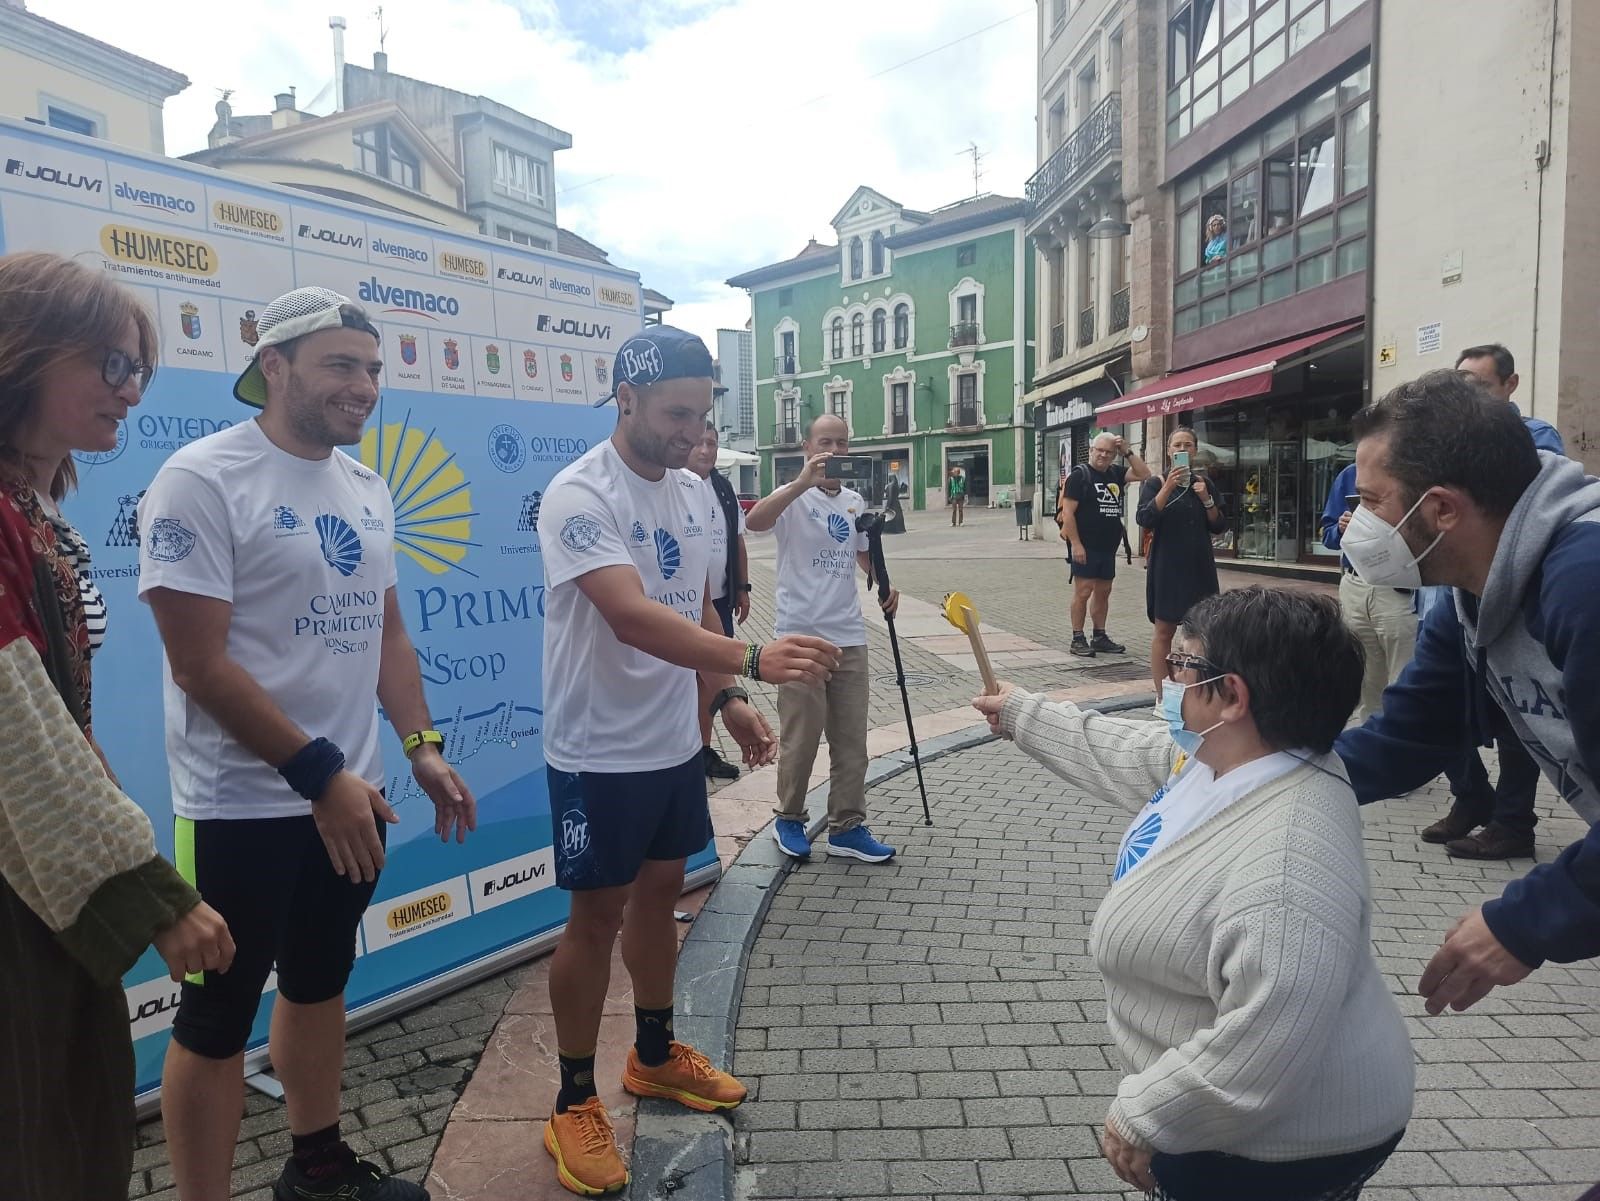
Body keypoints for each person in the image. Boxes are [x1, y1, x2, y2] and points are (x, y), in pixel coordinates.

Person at [140, 287, 477, 1201]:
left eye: (373, 368)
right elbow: (197, 665)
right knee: (215, 1020)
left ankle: (317, 1167)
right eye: (341, 364)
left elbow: (387, 631)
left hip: (351, 796)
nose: (365, 385)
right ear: (274, 366)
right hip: (241, 806)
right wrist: (320, 772)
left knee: (320, 983)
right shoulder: (201, 478)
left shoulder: (366, 486)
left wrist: (420, 745)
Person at [974, 587, 1411, 1199]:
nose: (1167, 677)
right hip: (1240, 1124)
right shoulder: (1229, 758)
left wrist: (1144, 1115)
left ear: (1233, 696)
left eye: (1183, 663)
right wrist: (1022, 712)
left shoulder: (1287, 864)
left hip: (1273, 1151)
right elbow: (1124, 751)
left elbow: (1269, 1042)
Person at [536, 326, 839, 1196]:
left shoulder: (697, 492)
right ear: (624, 399)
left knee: (662, 897)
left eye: (703, 413)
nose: (691, 432)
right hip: (596, 748)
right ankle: (569, 1101)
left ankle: (656, 1053)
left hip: (673, 742)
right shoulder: (577, 494)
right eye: (676, 413)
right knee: (595, 918)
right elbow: (630, 615)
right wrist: (751, 662)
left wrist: (726, 698)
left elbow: (700, 607)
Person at [0, 251, 234, 1201]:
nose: (131, 390)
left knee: (74, 1114)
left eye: (141, 368)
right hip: (16, 879)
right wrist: (150, 891)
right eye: (110, 363)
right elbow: (16, 722)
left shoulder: (38, 510)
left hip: (41, 875)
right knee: (36, 1134)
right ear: (22, 352)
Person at [1333, 369, 1600, 1017]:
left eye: (1372, 501)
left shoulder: (1584, 584)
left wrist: (1524, 921)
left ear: (1443, 509)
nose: (1358, 523)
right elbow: (1407, 736)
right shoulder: (1471, 592)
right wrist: (1255, 768)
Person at [1413, 343, 1563, 858]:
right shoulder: (1444, 446)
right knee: (1449, 705)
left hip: (1508, 607)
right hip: (1451, 603)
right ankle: (1472, 798)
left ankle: (1513, 822)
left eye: (1478, 385)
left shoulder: (1534, 441)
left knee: (1515, 719)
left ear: (1509, 386)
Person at [746, 412, 900, 865]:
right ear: (809, 448)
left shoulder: (854, 500)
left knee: (851, 740)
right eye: (824, 443)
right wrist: (799, 483)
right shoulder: (791, 497)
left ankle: (846, 826)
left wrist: (885, 583)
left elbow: (859, 551)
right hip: (799, 637)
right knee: (802, 738)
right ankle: (789, 818)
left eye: (841, 443)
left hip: (849, 635)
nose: (833, 451)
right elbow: (755, 521)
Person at [1319, 462, 1418, 722]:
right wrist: (1340, 528)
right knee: (1362, 676)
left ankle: (1405, 736)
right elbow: (1327, 534)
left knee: (1405, 672)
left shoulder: (1418, 469)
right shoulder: (1350, 474)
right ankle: (1366, 741)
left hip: (1398, 587)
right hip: (1355, 585)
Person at [1137, 427, 1227, 697]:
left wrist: (1206, 499)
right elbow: (1145, 518)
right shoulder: (1155, 482)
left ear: (1195, 450)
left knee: (1205, 630)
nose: (1182, 449)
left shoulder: (1204, 483)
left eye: (1188, 445)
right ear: (1168, 451)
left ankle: (1200, 691)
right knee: (1164, 631)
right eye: (1177, 445)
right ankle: (1164, 696)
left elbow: (1219, 525)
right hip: (1168, 566)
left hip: (1200, 566)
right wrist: (1167, 487)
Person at [686, 423, 750, 781]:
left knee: (709, 679)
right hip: (679, 603)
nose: (706, 450)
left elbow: (737, 541)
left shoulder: (724, 488)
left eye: (712, 443)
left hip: (719, 600)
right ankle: (684, 749)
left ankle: (703, 750)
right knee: (684, 678)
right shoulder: (673, 485)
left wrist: (743, 588)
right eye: (699, 442)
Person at [1057, 431, 1151, 658]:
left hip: (1108, 547)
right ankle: (1077, 638)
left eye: (1108, 452)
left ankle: (1099, 636)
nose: (1103, 455)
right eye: (1099, 450)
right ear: (1090, 450)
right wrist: (1077, 544)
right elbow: (1068, 514)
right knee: (1083, 591)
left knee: (1103, 592)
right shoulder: (1079, 476)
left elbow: (1144, 473)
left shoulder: (1115, 473)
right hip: (1086, 546)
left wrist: (1127, 451)